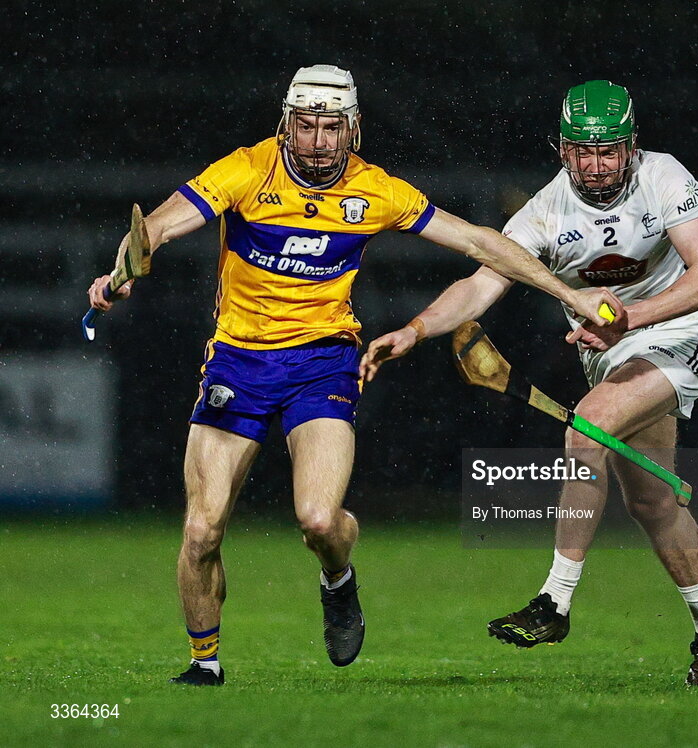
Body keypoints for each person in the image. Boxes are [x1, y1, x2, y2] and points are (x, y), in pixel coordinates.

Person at [86, 65, 619, 687]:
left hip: (323, 361)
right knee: (201, 529)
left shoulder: (378, 192)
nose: (316, 141)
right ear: (286, 125)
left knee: (318, 520)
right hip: (237, 360)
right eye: (305, 126)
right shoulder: (246, 169)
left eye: (330, 128)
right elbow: (154, 227)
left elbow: (480, 243)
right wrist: (119, 271)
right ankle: (205, 664)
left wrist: (571, 296)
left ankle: (337, 578)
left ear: (353, 130)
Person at [361, 80, 698, 687]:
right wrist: (416, 329)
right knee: (652, 503)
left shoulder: (665, 177)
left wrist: (625, 320)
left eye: (609, 151)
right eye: (582, 152)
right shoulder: (543, 214)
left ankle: (555, 602)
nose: (596, 166)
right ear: (562, 150)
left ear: (632, 148)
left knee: (586, 429)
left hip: (683, 335)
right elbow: (479, 288)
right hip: (612, 357)